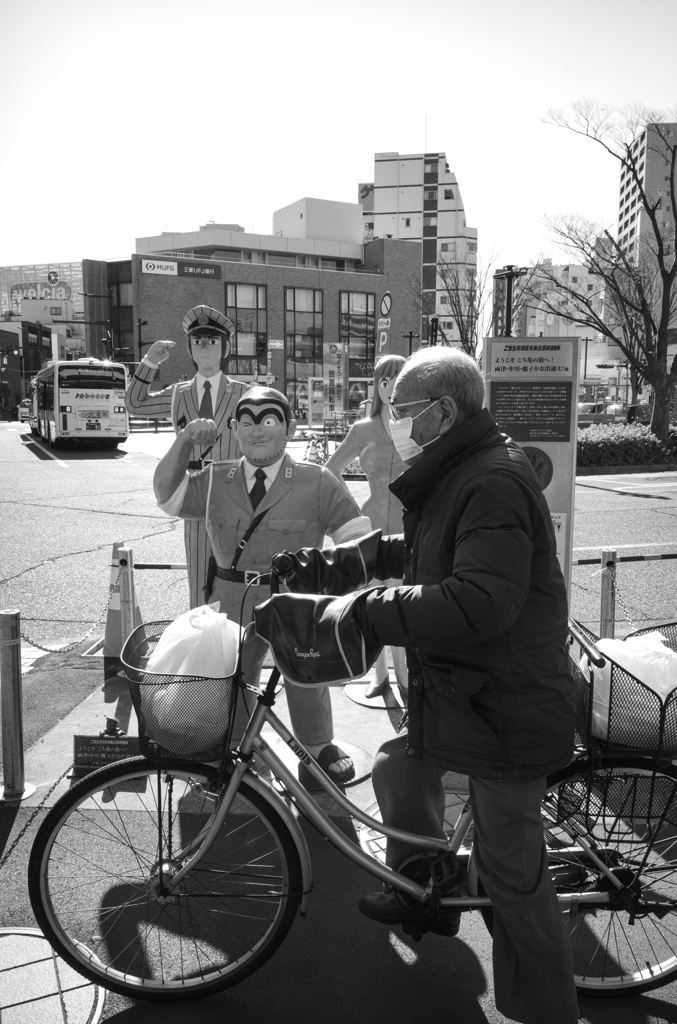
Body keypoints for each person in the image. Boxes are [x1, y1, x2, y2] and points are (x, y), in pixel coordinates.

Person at [263, 348, 579, 1024]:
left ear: (443, 410)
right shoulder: (458, 471)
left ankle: (547, 1012)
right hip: (472, 695)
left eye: (403, 411)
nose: (393, 421)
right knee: (395, 766)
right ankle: (421, 889)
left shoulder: (489, 479)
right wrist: (334, 565)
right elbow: (420, 553)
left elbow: (477, 601)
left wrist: (367, 610)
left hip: (506, 709)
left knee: (511, 878)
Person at [153, 385, 371, 788]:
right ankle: (235, 744)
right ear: (235, 429)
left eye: (269, 420)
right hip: (230, 599)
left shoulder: (316, 480)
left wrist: (341, 593)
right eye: (247, 422)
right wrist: (184, 441)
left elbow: (356, 536)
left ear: (288, 428)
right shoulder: (216, 479)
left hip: (295, 598)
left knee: (305, 671)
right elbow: (166, 497)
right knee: (231, 675)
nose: (257, 431)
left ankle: (318, 745)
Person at [125, 304, 248, 608]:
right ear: (191, 349)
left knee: (235, 574)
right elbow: (135, 404)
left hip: (233, 493)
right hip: (193, 493)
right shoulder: (179, 393)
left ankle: (235, 639)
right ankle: (199, 637)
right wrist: (150, 362)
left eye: (212, 341)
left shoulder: (244, 393)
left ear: (226, 347)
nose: (204, 348)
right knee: (197, 576)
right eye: (197, 341)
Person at [325, 355, 408, 698]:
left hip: (410, 525)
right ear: (376, 386)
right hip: (371, 525)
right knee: (371, 601)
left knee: (404, 603)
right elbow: (330, 469)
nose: (389, 388)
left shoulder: (417, 426)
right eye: (383, 381)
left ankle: (405, 676)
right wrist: (351, 511)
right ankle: (380, 675)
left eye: (398, 380)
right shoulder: (362, 429)